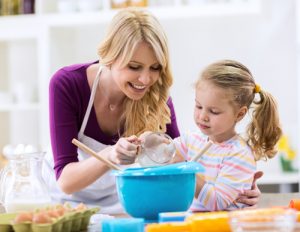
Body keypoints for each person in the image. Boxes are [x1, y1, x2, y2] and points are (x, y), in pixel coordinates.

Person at [43, 8, 261, 214]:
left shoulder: (157, 96)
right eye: (134, 67)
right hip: (68, 208)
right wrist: (111, 154)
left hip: (126, 207)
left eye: (155, 68)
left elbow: (179, 169)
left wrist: (234, 185)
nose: (146, 79)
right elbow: (66, 182)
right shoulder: (67, 84)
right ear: (110, 56)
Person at [171, 59, 282, 211]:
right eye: (198, 106)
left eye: (214, 111)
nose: (202, 116)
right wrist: (149, 142)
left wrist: (184, 173)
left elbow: (217, 202)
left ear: (239, 114)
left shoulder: (239, 154)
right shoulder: (193, 139)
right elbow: (166, 155)